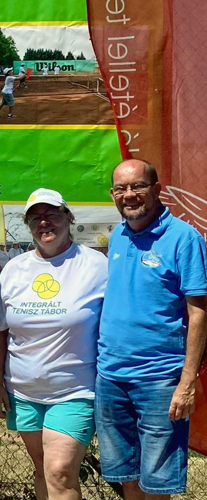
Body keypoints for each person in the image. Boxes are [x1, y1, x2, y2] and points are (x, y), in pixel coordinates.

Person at [97, 159, 207, 498]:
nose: (129, 195)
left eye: (138, 186)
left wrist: (188, 381)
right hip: (111, 377)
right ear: (113, 194)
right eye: (121, 188)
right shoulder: (117, 235)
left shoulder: (184, 239)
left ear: (157, 190)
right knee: (125, 477)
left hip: (159, 380)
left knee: (158, 484)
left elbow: (200, 312)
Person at [0, 188, 107, 500]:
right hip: (23, 392)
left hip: (75, 391)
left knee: (59, 471)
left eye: (52, 214)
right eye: (35, 217)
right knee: (44, 469)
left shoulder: (97, 266)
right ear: (28, 225)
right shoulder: (14, 269)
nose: (44, 222)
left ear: (68, 218)